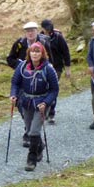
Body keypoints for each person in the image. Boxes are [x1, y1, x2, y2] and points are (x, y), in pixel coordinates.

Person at [10, 42, 59, 171]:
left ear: (42, 54)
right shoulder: (22, 66)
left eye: (38, 51)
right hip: (26, 102)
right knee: (29, 129)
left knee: (34, 131)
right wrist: (14, 95)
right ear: (29, 53)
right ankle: (40, 146)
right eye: (33, 51)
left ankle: (31, 160)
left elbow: (54, 89)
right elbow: (15, 83)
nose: (35, 54)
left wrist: (46, 103)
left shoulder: (48, 69)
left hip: (41, 103)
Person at [7, 21, 51, 147]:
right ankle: (29, 132)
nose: (30, 33)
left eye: (32, 31)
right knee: (22, 106)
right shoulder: (19, 44)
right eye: (27, 31)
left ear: (37, 31)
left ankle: (32, 135)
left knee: (37, 109)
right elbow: (10, 59)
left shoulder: (44, 43)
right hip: (23, 80)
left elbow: (49, 59)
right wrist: (21, 66)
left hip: (40, 82)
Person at [40, 19, 72, 124]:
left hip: (57, 68)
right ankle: (43, 111)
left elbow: (66, 52)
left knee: (52, 88)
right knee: (43, 89)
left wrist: (68, 69)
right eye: (47, 28)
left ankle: (51, 113)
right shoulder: (39, 38)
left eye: (50, 27)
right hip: (42, 67)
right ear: (43, 28)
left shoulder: (58, 37)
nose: (49, 30)